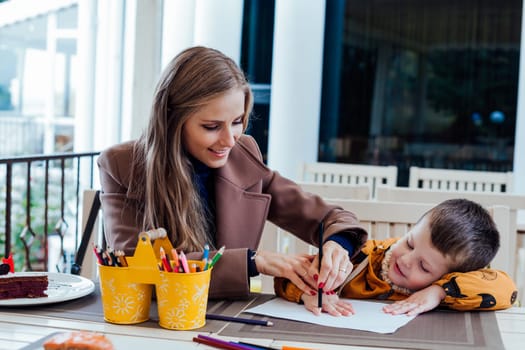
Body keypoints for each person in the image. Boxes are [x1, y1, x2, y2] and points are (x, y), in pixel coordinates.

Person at [97, 46, 368, 299]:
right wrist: (253, 261)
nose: (230, 140)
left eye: (237, 121)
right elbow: (135, 271)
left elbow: (334, 218)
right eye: (212, 126)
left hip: (230, 320)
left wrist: (337, 244)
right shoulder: (122, 165)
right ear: (171, 120)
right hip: (155, 327)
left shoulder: (242, 155)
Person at [275, 198, 518, 315]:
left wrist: (438, 292)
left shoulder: (451, 284)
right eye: (410, 243)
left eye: (424, 267)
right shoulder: (360, 258)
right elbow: (285, 279)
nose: (406, 261)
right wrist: (310, 292)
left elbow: (507, 289)